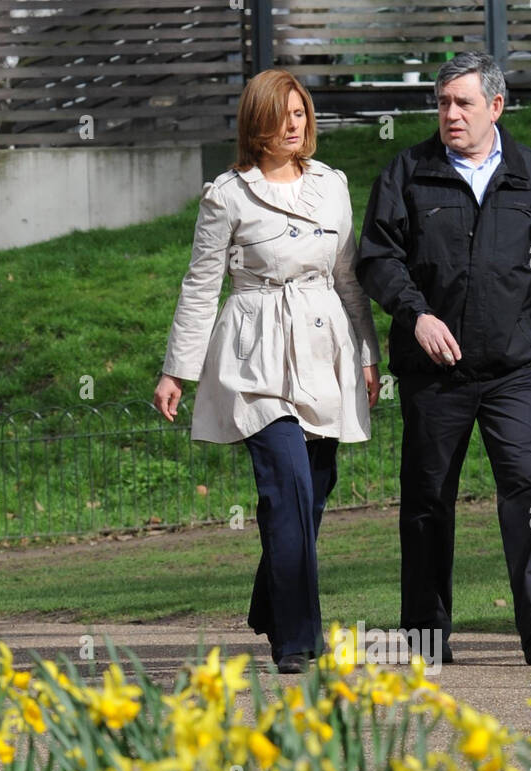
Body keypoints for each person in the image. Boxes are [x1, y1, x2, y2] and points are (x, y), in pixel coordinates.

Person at [355, 51, 531, 666]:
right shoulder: (409, 172)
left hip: (514, 367)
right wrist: (416, 314)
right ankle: (426, 635)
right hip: (435, 373)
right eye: (443, 102)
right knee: (427, 500)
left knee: (526, 485)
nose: (450, 113)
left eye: (463, 102)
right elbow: (378, 259)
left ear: (496, 106)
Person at [154, 71, 380, 674]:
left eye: (301, 113)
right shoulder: (227, 194)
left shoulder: (333, 187)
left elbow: (348, 278)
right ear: (256, 122)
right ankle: (297, 640)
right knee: (288, 487)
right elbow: (202, 285)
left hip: (324, 344)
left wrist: (367, 353)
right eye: (280, 115)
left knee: (315, 489)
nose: (292, 125)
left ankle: (270, 599)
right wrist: (178, 370)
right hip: (253, 354)